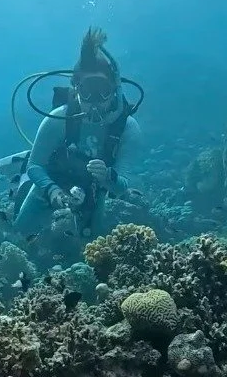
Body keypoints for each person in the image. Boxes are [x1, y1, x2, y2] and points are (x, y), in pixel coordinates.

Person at [15, 28, 144, 238]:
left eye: (102, 90)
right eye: (86, 91)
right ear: (76, 90)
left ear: (115, 90)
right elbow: (35, 165)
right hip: (51, 180)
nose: (94, 101)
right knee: (21, 233)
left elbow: (121, 188)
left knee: (89, 245)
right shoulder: (58, 120)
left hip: (93, 190)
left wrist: (108, 177)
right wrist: (52, 190)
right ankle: (19, 177)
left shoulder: (128, 128)